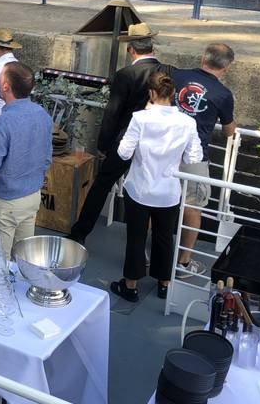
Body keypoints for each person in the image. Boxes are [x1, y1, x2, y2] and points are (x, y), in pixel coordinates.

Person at [68, 23, 170, 244]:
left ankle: (79, 235)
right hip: (155, 142)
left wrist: (103, 144)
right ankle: (146, 245)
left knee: (102, 185)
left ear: (131, 49)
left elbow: (112, 112)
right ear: (151, 46)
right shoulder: (166, 71)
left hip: (126, 138)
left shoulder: (125, 74)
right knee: (151, 191)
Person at [110, 72, 203, 302]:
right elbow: (194, 157)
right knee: (165, 237)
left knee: (136, 238)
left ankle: (130, 286)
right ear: (173, 94)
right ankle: (164, 284)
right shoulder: (188, 122)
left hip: (140, 188)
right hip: (169, 191)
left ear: (150, 93)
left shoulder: (140, 119)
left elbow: (124, 153)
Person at [171, 43, 236, 279]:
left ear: (202, 58)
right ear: (226, 67)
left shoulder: (177, 76)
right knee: (192, 208)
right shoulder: (223, 94)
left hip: (163, 150)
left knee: (157, 201)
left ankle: (151, 255)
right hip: (194, 156)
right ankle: (183, 264)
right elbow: (229, 131)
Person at [0, 62, 52, 259]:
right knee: (24, 257)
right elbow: (47, 158)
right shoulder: (43, 115)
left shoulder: (4, 121)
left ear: (5, 86)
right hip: (33, 194)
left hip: (8, 198)